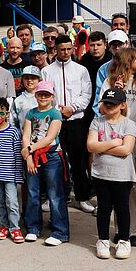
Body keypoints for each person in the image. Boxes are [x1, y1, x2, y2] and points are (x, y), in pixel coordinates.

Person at [100, 47, 136, 247]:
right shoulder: (110, 82)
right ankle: (121, 229)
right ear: (126, 61)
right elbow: (101, 108)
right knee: (119, 187)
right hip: (116, 141)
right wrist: (116, 91)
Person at [40, 35, 94, 213]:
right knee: (55, 161)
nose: (65, 52)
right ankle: (54, 196)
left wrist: (72, 108)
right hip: (55, 122)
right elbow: (46, 94)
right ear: (55, 49)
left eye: (68, 49)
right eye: (62, 49)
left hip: (75, 121)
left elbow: (86, 94)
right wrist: (58, 110)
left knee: (78, 160)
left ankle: (82, 197)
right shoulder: (47, 71)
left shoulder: (80, 70)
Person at [87, 88, 136, 260]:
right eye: (106, 103)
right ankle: (102, 240)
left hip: (122, 175)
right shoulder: (97, 121)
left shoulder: (129, 125)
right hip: (101, 174)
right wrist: (114, 142)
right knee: (103, 208)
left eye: (113, 104)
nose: (108, 106)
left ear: (122, 105)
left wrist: (103, 146)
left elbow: (126, 149)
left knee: (122, 208)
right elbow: (91, 146)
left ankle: (124, 240)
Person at [21, 81, 69, 246]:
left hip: (51, 156)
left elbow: (50, 137)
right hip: (32, 155)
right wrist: (28, 156)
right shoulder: (30, 113)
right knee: (33, 193)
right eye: (40, 94)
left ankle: (60, 231)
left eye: (46, 94)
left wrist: (29, 149)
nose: (43, 97)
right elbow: (26, 134)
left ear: (52, 97)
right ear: (36, 95)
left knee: (55, 195)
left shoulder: (55, 113)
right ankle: (33, 228)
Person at [93, 30, 136, 114]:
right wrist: (114, 93)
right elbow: (99, 103)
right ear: (109, 46)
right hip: (118, 123)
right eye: (114, 45)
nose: (117, 48)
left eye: (119, 44)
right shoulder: (104, 71)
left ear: (126, 43)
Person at [0, 97, 24, 243]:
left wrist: (18, 175)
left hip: (10, 175)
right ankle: (4, 226)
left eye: (2, 112)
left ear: (7, 114)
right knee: (0, 201)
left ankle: (15, 228)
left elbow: (17, 154)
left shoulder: (14, 131)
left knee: (12, 202)